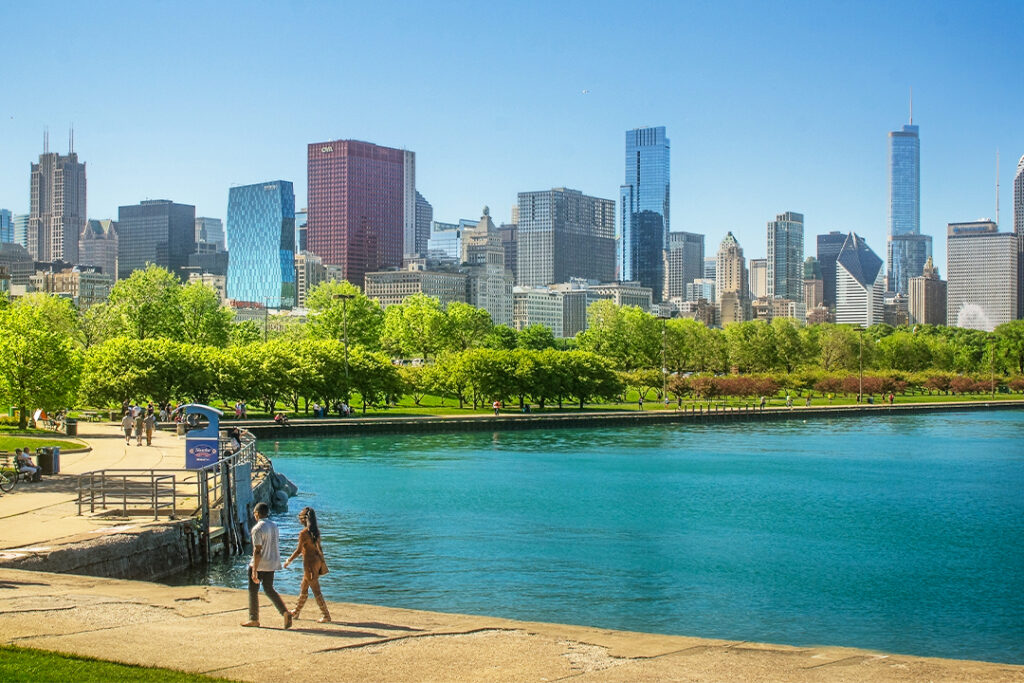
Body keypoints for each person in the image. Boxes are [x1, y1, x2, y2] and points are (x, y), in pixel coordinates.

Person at [241, 502, 292, 629]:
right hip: (272, 562)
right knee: (269, 588)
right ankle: (284, 612)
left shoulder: (257, 528)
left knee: (253, 590)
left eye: (254, 513)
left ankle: (254, 619)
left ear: (257, 514)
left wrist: (254, 570)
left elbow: (257, 550)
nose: (254, 515)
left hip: (260, 563)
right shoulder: (274, 525)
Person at [283, 507, 332, 623]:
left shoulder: (304, 533)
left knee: (316, 589)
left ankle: (326, 615)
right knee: (304, 587)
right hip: (317, 561)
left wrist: (288, 561)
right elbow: (319, 548)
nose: (299, 519)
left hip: (309, 564)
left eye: (300, 517)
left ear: (304, 519)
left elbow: (298, 550)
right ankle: (296, 611)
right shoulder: (316, 532)